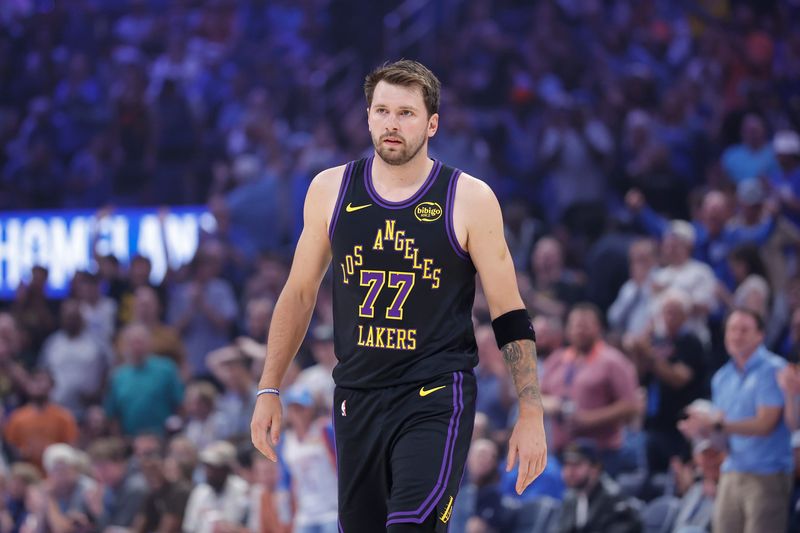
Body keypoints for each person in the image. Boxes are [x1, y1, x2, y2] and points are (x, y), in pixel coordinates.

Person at [251, 60, 547, 532]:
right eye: (382, 110)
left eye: (406, 113)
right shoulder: (329, 189)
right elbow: (299, 292)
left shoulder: (468, 197)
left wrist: (530, 409)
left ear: (432, 123)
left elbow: (509, 312)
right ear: (367, 117)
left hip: (433, 394)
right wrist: (270, 386)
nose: (392, 123)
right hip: (356, 396)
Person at [680, 308, 792, 533]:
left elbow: (765, 424)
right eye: (732, 329)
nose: (736, 336)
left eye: (744, 330)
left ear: (760, 335)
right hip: (731, 471)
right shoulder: (722, 377)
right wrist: (703, 431)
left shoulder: (774, 369)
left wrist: (718, 425)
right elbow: (724, 436)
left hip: (766, 474)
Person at [555, 439, 642, 533]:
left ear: (595, 468)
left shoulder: (613, 500)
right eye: (566, 465)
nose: (569, 472)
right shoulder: (571, 498)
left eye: (576, 465)